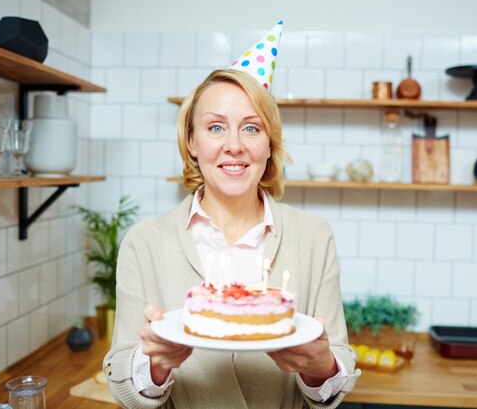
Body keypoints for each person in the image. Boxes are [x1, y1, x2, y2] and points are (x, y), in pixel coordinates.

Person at [103, 22, 359, 409]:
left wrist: (320, 367)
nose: (235, 146)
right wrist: (154, 367)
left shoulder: (313, 236)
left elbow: (332, 377)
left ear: (270, 144)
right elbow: (122, 376)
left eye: (252, 128)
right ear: (191, 141)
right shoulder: (144, 241)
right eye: (216, 127)